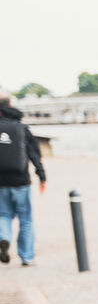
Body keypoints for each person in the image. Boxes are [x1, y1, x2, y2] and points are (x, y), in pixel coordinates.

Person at [0, 91, 47, 266]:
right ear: (10, 105)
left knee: (3, 214)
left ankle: (4, 237)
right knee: (25, 219)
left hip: (0, 183)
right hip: (21, 180)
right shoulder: (21, 128)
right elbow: (34, 154)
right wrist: (41, 175)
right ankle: (27, 257)